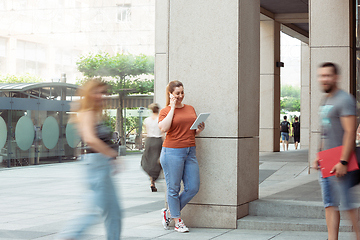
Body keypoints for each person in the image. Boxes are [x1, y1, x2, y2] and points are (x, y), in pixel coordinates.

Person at [57, 79, 122, 240]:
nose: (100, 96)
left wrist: (110, 158)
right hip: (96, 165)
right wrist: (111, 154)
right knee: (92, 213)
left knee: (114, 212)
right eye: (96, 92)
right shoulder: (87, 112)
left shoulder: (96, 113)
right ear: (89, 93)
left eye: (103, 92)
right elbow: (90, 139)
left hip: (101, 164)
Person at [312, 62, 359, 240]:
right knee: (330, 204)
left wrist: (344, 161)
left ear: (336, 77)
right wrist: (319, 154)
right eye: (321, 76)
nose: (324, 79)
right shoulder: (326, 100)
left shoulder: (345, 99)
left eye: (327, 75)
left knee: (348, 204)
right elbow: (325, 130)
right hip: (326, 159)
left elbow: (350, 132)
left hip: (340, 161)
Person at [158, 80, 205, 233]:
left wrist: (198, 130)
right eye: (177, 93)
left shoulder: (190, 108)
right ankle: (178, 221)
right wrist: (172, 107)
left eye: (182, 92)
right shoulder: (165, 110)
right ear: (170, 94)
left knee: (193, 187)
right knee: (174, 188)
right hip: (172, 151)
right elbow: (164, 128)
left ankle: (169, 212)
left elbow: (190, 130)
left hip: (190, 150)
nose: (180, 96)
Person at [141, 103, 164, 192]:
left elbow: (146, 132)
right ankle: (155, 177)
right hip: (158, 141)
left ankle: (152, 181)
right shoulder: (160, 119)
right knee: (157, 160)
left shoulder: (147, 120)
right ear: (158, 110)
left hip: (149, 141)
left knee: (149, 160)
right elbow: (162, 133)